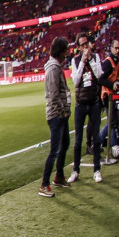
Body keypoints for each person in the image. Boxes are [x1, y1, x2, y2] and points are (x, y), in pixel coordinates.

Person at [68, 33, 105, 184]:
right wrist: (83, 62)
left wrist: (90, 59)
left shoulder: (95, 57)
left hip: (94, 102)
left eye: (86, 44)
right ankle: (76, 170)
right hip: (81, 103)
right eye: (82, 45)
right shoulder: (75, 60)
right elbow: (76, 81)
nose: (85, 47)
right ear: (78, 47)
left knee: (96, 139)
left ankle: (97, 170)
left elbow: (99, 75)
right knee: (78, 141)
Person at [40, 37, 72, 197]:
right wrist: (62, 111)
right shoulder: (53, 69)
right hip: (56, 115)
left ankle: (59, 177)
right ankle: (44, 185)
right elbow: (53, 94)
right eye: (65, 50)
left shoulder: (56, 66)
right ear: (60, 52)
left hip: (61, 114)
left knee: (65, 144)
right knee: (54, 150)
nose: (67, 53)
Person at [96, 39, 119, 161]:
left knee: (113, 121)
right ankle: (114, 146)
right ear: (111, 48)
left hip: (114, 95)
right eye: (115, 48)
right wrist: (112, 85)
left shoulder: (117, 62)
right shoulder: (108, 62)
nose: (117, 50)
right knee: (113, 122)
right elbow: (100, 79)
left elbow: (116, 77)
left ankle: (97, 142)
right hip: (107, 96)